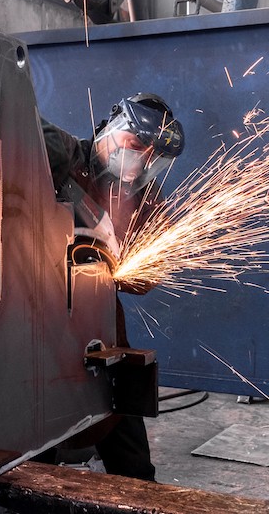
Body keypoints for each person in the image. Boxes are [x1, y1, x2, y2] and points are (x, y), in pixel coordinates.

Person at [41, 93, 185, 481]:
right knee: (35, 463)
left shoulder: (144, 198)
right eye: (135, 145)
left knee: (135, 469)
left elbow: (144, 280)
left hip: (101, 336)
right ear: (111, 127)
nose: (140, 161)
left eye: (152, 157)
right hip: (42, 335)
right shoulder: (66, 155)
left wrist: (121, 265)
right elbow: (14, 123)